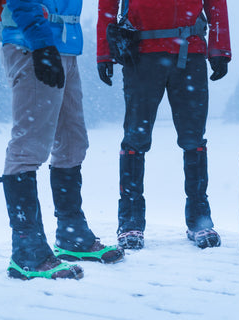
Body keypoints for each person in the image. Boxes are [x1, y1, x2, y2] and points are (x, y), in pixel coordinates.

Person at [0, 0, 124, 280]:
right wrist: (41, 43)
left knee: (72, 142)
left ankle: (72, 236)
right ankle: (27, 251)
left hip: (63, 47)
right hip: (31, 45)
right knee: (28, 147)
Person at [96, 0, 231, 250]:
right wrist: (104, 52)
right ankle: (130, 222)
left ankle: (200, 220)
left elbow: (216, 4)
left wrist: (220, 50)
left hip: (190, 53)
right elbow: (107, 5)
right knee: (135, 139)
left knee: (194, 139)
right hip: (140, 54)